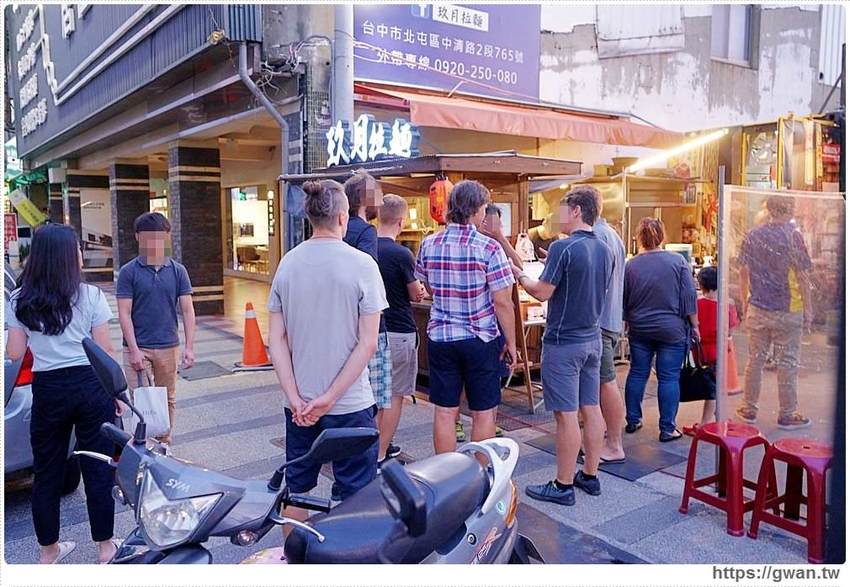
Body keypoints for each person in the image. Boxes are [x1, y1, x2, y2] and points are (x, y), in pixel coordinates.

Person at [267, 179, 385, 517]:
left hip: (300, 405)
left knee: (298, 489)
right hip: (350, 404)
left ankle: (295, 562)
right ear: (343, 218)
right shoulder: (363, 266)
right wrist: (330, 398)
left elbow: (276, 340)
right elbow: (368, 343)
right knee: (354, 497)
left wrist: (294, 398)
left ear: (310, 218)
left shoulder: (287, 264)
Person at [5, 224, 121, 564]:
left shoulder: (19, 299)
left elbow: (14, 352)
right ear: (69, 256)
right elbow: (107, 350)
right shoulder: (91, 296)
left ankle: (48, 552)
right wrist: (117, 391)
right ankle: (105, 548)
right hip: (91, 386)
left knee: (47, 471)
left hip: (48, 388)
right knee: (97, 467)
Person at [515, 187, 614, 506]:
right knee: (591, 407)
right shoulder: (605, 248)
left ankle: (563, 484)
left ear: (576, 211)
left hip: (563, 342)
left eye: (561, 209)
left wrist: (521, 277)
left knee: (565, 415)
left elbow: (543, 292)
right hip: (592, 339)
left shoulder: (562, 248)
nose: (557, 216)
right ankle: (591, 474)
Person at [415, 180, 518, 454]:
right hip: (480, 337)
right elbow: (502, 302)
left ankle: (447, 475)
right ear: (475, 210)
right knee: (483, 412)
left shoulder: (429, 244)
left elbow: (429, 287)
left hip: (441, 336)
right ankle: (479, 475)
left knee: (445, 412)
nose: (485, 214)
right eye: (484, 208)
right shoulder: (489, 248)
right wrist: (512, 342)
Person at [116, 212, 195, 449]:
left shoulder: (178, 271)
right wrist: (133, 350)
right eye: (148, 237)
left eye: (159, 237)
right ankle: (144, 445)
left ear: (167, 237)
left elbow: (188, 310)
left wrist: (189, 347)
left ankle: (164, 444)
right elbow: (124, 313)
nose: (154, 243)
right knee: (141, 401)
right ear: (138, 237)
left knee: (167, 398)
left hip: (168, 346)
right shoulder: (129, 272)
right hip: (137, 347)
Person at [736, 196, 812, 429]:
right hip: (788, 310)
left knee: (755, 361)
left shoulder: (753, 235)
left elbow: (743, 272)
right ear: (790, 210)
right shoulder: (793, 236)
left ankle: (749, 408)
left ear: (768, 209)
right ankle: (787, 413)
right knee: (787, 363)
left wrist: (745, 300)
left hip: (758, 308)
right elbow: (802, 276)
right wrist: (809, 309)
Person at [623, 218, 699, 442]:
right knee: (668, 377)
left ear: (639, 238)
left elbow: (625, 299)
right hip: (671, 329)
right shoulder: (677, 262)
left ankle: (633, 419)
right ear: (662, 236)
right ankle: (667, 428)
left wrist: (628, 321)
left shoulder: (632, 265)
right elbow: (688, 297)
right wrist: (695, 326)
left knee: (637, 372)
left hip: (640, 328)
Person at [343, 170, 399, 458]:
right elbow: (368, 279)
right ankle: (368, 459)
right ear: (365, 199)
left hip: (341, 328)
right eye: (377, 193)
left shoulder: (339, 230)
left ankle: (348, 453)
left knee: (348, 396)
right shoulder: (366, 232)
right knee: (375, 400)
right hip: (368, 328)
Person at [376, 195, 426, 462]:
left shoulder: (364, 247)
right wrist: (420, 289)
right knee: (395, 396)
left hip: (372, 331)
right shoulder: (401, 253)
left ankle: (374, 447)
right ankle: (381, 453)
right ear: (401, 220)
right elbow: (415, 294)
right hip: (399, 330)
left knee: (375, 396)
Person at [590, 189, 627, 464]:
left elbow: (593, 284)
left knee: (606, 382)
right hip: (610, 318)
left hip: (599, 322)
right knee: (602, 383)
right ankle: (603, 439)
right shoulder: (612, 235)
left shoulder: (598, 238)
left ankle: (614, 444)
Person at [685, 266, 739, 433]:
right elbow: (730, 331)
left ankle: (705, 424)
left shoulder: (697, 304)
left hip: (701, 352)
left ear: (701, 285)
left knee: (711, 389)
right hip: (720, 350)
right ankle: (713, 420)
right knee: (716, 387)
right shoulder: (727, 306)